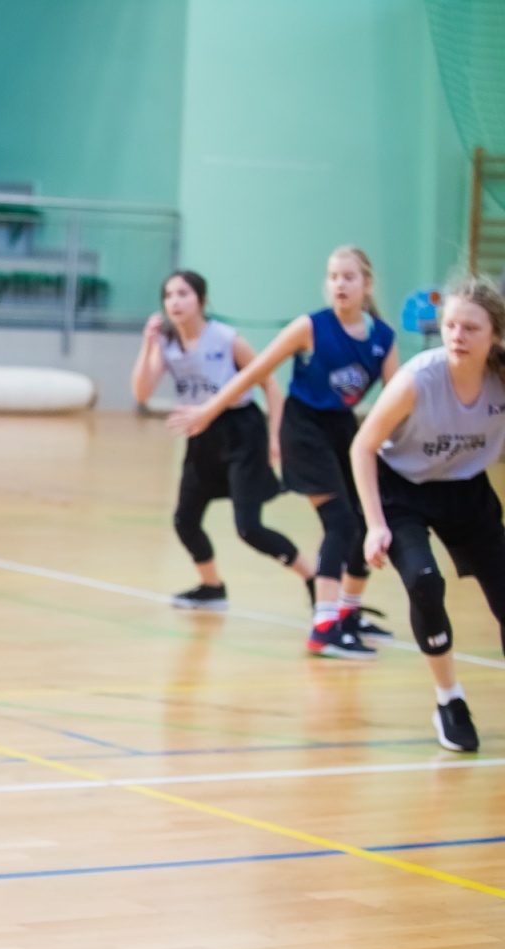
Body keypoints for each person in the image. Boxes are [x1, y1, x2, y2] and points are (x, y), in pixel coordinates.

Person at [169, 246, 397, 658]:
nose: (339, 285)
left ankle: (348, 614)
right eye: (332, 277)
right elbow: (256, 375)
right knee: (340, 522)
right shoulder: (309, 326)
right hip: (303, 427)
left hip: (345, 430)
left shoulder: (383, 338)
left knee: (365, 523)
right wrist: (208, 409)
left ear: (367, 284)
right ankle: (325, 625)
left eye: (348, 277)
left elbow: (398, 402)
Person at [352, 278, 505, 752]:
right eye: (450, 325)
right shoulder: (419, 378)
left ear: (495, 334)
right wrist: (376, 523)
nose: (457, 335)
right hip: (403, 491)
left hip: (466, 490)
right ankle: (449, 700)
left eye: (470, 328)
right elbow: (363, 445)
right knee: (424, 582)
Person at [131, 270, 314, 609]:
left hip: (242, 431)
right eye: (169, 295)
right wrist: (147, 346)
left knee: (249, 529)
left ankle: (313, 576)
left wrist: (277, 438)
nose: (175, 301)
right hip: (201, 435)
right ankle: (212, 587)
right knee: (184, 520)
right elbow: (142, 392)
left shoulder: (227, 339)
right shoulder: (167, 344)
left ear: (201, 300)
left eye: (183, 294)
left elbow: (270, 384)